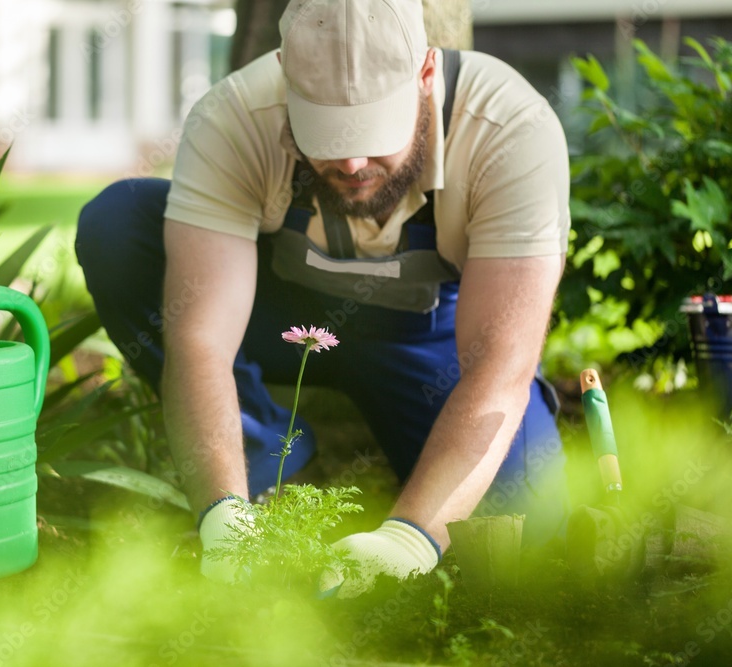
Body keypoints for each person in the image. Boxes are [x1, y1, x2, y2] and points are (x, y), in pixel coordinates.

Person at [76, 0, 570, 598]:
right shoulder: (231, 118)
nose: (354, 163)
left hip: (428, 340)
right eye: (329, 136)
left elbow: (500, 369)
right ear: (286, 77)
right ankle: (266, 461)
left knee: (525, 523)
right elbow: (200, 339)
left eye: (373, 132)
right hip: (282, 313)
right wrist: (221, 514)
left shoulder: (510, 129)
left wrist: (410, 538)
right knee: (118, 223)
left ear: (426, 76)